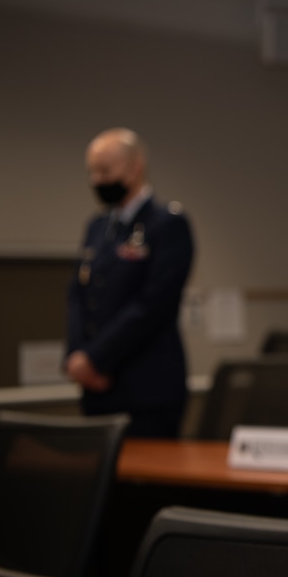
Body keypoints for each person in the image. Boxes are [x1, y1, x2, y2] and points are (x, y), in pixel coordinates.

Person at [65, 128, 194, 438]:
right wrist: (77, 358)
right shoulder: (97, 227)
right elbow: (78, 295)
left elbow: (153, 305)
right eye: (92, 171)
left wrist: (95, 358)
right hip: (96, 388)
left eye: (106, 170)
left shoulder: (167, 224)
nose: (97, 179)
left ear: (135, 167)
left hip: (147, 389)